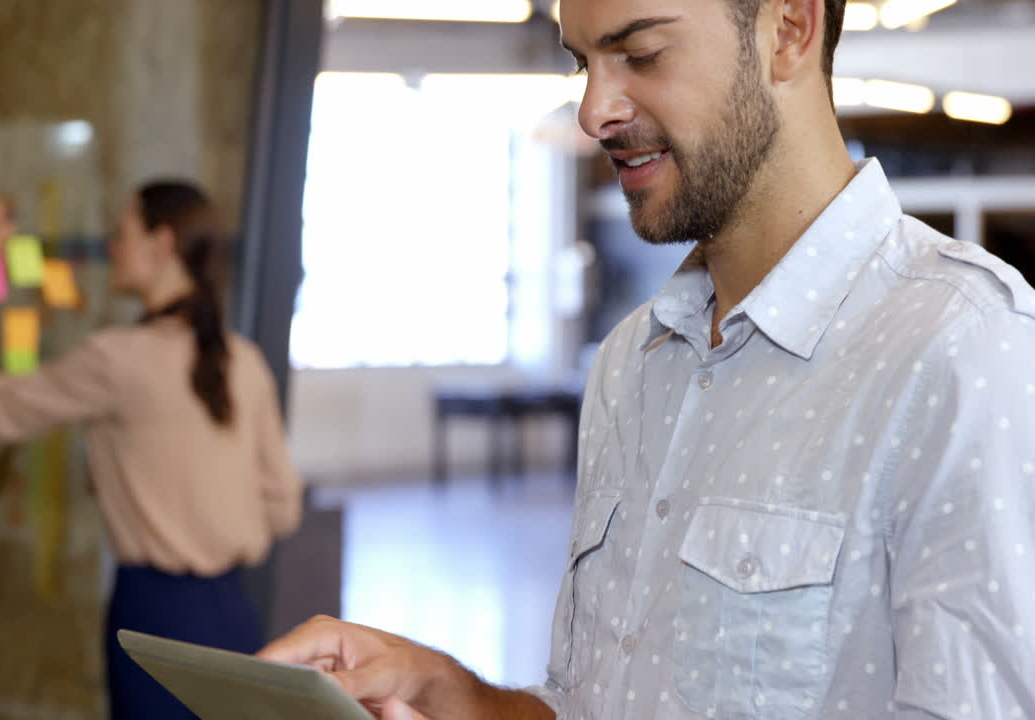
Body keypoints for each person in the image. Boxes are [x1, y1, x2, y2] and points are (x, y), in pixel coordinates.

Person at [258, 0, 1035, 718]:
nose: (595, 110)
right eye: (583, 63)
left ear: (790, 29)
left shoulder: (966, 353)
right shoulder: (633, 362)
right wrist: (455, 695)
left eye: (641, 54)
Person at [0, 181, 303, 719]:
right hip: (237, 616)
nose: (112, 247)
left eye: (122, 234)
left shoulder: (119, 360)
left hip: (156, 619)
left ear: (161, 243)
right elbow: (283, 507)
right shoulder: (246, 360)